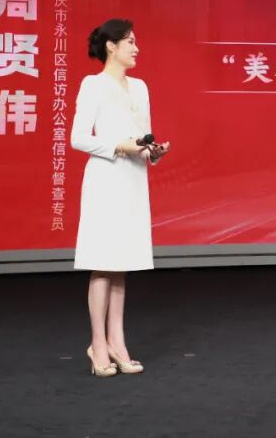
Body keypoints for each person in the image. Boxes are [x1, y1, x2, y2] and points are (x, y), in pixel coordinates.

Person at [71, 19, 170, 377]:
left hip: (133, 179)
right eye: (129, 42)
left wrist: (152, 152)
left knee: (121, 264)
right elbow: (78, 137)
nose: (136, 48)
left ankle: (117, 341)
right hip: (106, 178)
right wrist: (118, 146)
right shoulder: (93, 84)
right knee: (103, 262)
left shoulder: (140, 87)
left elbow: (143, 137)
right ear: (111, 46)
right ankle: (98, 343)